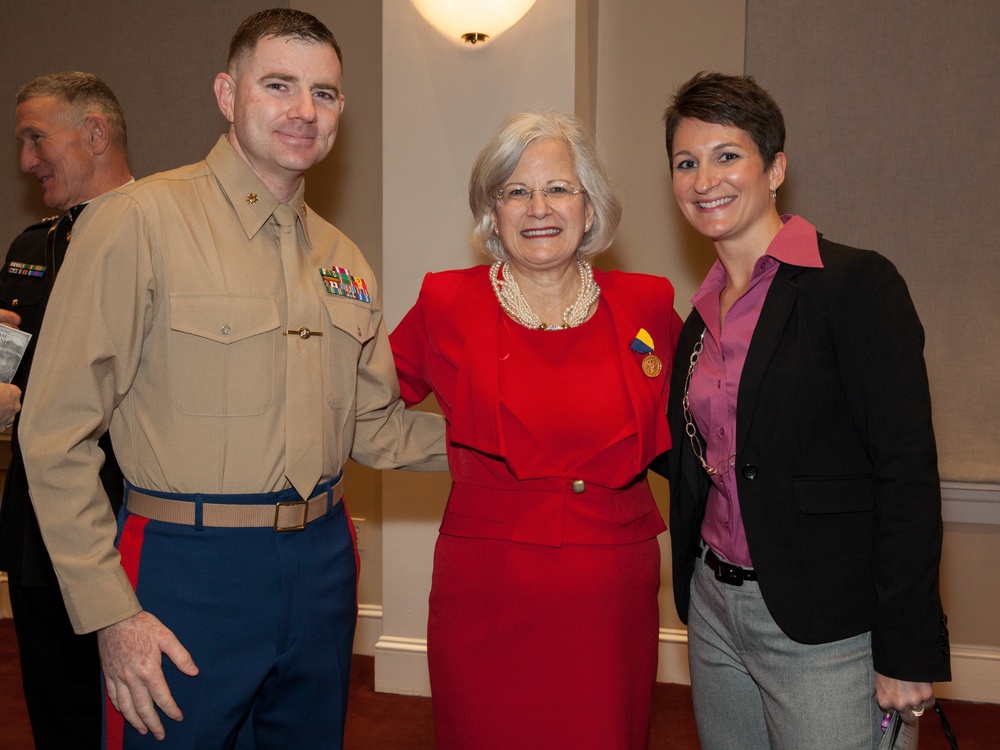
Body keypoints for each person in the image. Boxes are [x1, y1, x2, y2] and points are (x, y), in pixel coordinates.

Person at [19, 9, 446, 749]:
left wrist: (526, 433)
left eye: (325, 92)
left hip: (320, 570)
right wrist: (111, 613)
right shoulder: (137, 221)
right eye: (279, 85)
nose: (304, 111)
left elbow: (378, 431)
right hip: (185, 572)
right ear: (227, 93)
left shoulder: (345, 258)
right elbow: (53, 432)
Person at [652, 71, 951, 750]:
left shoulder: (853, 285)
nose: (705, 180)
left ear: (776, 167)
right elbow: (708, 457)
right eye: (685, 162)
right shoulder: (696, 319)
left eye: (728, 155)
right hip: (714, 606)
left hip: (825, 622)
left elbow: (906, 472)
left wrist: (907, 649)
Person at [390, 110, 682, 749]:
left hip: (611, 594)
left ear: (589, 204)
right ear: (491, 211)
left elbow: (703, 422)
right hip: (487, 588)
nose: (538, 207)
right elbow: (364, 403)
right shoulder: (446, 301)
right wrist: (457, 452)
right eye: (515, 191)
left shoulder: (648, 304)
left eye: (557, 188)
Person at [0, 71, 131, 750]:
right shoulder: (31, 248)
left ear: (95, 134)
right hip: (34, 526)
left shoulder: (157, 237)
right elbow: (6, 364)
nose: (25, 161)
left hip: (126, 523)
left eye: (34, 139)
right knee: (56, 707)